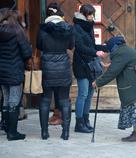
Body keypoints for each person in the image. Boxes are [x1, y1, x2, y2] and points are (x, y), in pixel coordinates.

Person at [92, 36, 136, 142]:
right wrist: (111, 65)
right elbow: (124, 64)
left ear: (113, 46)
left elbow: (113, 72)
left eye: (109, 49)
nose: (108, 52)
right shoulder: (126, 50)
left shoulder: (120, 53)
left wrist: (98, 82)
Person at [36, 2, 74, 140]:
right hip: (63, 66)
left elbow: (39, 46)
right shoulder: (68, 29)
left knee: (45, 100)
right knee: (64, 100)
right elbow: (71, 46)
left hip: (48, 67)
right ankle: (65, 133)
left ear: (47, 14)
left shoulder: (43, 30)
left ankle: (44, 133)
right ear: (59, 13)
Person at [72, 4, 107, 133]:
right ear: (85, 14)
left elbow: (92, 45)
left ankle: (86, 120)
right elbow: (80, 47)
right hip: (81, 64)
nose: (93, 16)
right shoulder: (77, 27)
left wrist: (103, 48)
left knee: (90, 94)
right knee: (83, 94)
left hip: (91, 65)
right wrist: (95, 53)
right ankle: (79, 123)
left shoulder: (89, 26)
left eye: (93, 14)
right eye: (91, 14)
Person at [0, 8, 32, 141]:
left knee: (6, 100)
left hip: (2, 72)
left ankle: (6, 127)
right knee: (13, 100)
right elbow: (27, 53)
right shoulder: (17, 32)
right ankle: (12, 133)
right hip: (14, 71)